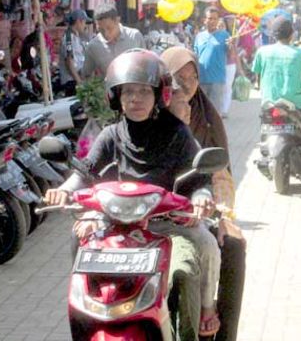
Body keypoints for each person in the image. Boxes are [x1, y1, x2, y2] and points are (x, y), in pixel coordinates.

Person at [44, 49, 221, 339]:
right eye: (127, 92)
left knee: (194, 261)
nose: (134, 99)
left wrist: (201, 198)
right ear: (116, 97)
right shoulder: (111, 134)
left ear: (159, 95)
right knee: (78, 234)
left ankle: (206, 309)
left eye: (142, 92)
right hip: (116, 222)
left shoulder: (177, 133)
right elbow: (84, 172)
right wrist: (64, 192)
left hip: (169, 223)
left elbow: (200, 178)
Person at [162, 46, 248, 341]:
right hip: (152, 213)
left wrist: (223, 215)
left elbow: (220, 175)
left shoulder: (206, 117)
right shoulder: (148, 116)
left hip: (200, 208)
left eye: (192, 77)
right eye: (178, 77)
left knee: (233, 245)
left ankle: (222, 333)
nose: (186, 84)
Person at [252, 16, 301, 163]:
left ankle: (264, 149)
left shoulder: (262, 52)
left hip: (269, 102)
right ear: (291, 34)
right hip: (296, 103)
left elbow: (258, 77)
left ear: (273, 34)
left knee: (264, 121)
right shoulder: (300, 53)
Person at [81, 4, 145, 79]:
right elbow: (86, 75)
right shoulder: (93, 46)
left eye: (109, 28)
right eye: (101, 30)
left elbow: (146, 64)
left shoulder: (134, 37)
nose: (106, 34)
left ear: (117, 20)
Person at [193, 7, 230, 113]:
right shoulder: (199, 36)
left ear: (218, 20)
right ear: (205, 20)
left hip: (217, 80)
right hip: (201, 79)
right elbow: (195, 55)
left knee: (214, 112)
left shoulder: (225, 35)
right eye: (209, 18)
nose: (212, 21)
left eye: (214, 19)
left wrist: (230, 45)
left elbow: (230, 51)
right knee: (201, 110)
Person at [58, 9, 89, 96]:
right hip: (72, 82)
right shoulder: (68, 38)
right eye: (84, 22)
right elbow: (69, 62)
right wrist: (79, 81)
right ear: (78, 21)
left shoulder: (76, 37)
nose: (85, 25)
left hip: (76, 79)